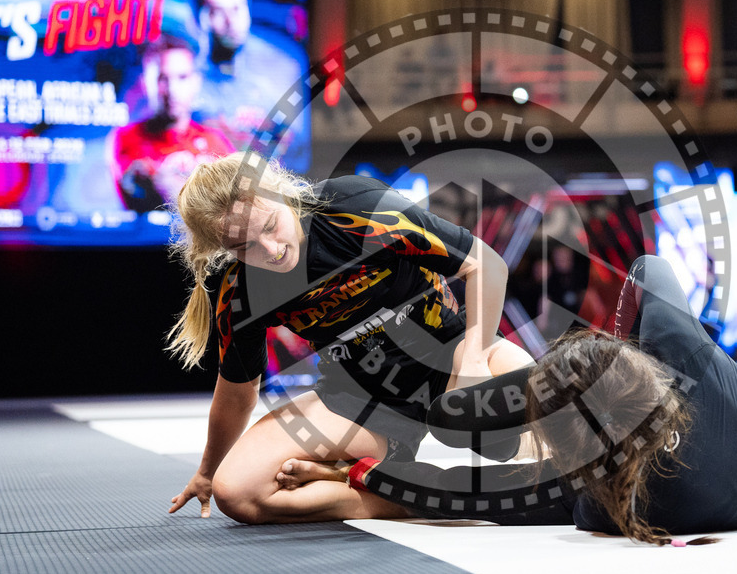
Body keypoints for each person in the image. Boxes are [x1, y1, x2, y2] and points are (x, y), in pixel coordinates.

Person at [275, 255, 737, 545]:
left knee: (451, 418)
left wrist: (350, 472)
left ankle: (566, 387)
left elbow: (450, 489)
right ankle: (576, 384)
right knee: (460, 419)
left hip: (722, 465)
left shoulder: (596, 501)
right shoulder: (683, 353)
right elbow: (652, 268)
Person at [166, 151, 534, 523]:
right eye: (245, 247)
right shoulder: (238, 287)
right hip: (363, 399)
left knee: (543, 424)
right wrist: (208, 472)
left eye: (270, 226)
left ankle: (357, 476)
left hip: (450, 356)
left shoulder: (357, 208)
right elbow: (237, 392)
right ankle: (407, 497)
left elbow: (483, 263)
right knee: (239, 493)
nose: (272, 251)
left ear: (282, 195)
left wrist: (472, 361)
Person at [183, 0, 308, 171]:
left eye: (237, 8)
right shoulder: (179, 89)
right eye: (216, 11)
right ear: (196, 20)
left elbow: (296, 158)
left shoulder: (265, 94)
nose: (231, 21)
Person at [107, 34, 235, 212]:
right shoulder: (127, 137)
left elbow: (235, 202)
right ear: (145, 84)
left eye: (182, 77)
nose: (172, 90)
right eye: (162, 78)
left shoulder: (215, 140)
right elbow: (158, 193)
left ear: (195, 82)